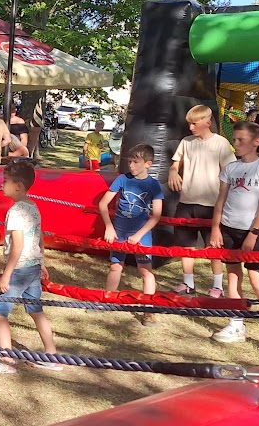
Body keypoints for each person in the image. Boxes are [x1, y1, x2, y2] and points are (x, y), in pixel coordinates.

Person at [209, 121, 259, 352]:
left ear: (256, 142)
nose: (236, 144)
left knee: (256, 279)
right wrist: (216, 228)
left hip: (250, 231)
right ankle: (236, 323)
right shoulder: (230, 168)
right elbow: (220, 201)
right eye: (235, 139)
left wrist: (253, 233)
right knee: (233, 277)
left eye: (241, 140)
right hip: (228, 229)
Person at [0, 160, 62, 374]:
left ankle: (6, 359)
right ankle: (52, 356)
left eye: (5, 181)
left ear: (18, 186)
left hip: (19, 270)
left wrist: (6, 275)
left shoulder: (16, 211)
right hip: (33, 267)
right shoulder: (32, 207)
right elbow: (39, 238)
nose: (2, 184)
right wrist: (41, 262)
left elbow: (18, 246)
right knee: (36, 310)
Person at [167, 104, 234, 297]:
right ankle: (188, 283)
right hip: (186, 202)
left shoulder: (221, 143)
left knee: (213, 246)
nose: (191, 128)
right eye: (189, 124)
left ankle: (218, 286)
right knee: (186, 245)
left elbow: (229, 172)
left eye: (194, 124)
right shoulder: (186, 142)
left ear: (208, 122)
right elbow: (175, 163)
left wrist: (224, 200)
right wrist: (173, 172)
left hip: (212, 204)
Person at [97, 143, 164, 323]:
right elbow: (103, 204)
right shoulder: (122, 179)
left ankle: (149, 310)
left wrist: (139, 235)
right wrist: (109, 226)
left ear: (148, 164)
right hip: (119, 232)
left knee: (145, 271)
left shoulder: (154, 185)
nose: (131, 166)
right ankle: (107, 301)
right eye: (129, 162)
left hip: (141, 234)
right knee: (115, 266)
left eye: (136, 162)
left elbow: (156, 216)